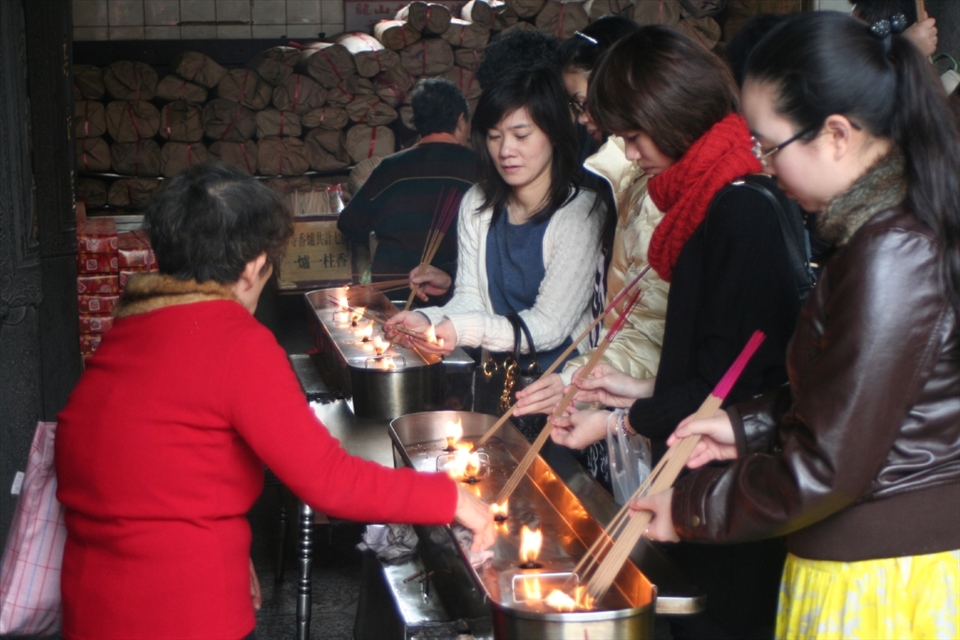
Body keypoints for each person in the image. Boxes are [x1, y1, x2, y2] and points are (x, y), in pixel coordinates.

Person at [54, 162, 495, 640]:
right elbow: (329, 482)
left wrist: (227, 548)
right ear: (252, 266)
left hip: (92, 603)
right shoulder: (233, 342)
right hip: (178, 612)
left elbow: (141, 472)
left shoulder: (129, 330)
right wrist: (450, 497)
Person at [631, 12, 960, 639]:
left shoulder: (891, 251)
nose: (764, 165)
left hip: (884, 578)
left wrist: (691, 508)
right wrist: (744, 427)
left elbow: (827, 466)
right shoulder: (881, 231)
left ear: (836, 134)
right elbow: (854, 398)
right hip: (868, 560)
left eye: (770, 145)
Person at [543, 27, 809, 638]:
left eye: (634, 135)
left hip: (730, 486)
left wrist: (619, 421)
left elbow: (731, 387)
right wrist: (638, 390)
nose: (629, 152)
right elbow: (718, 362)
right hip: (710, 471)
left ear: (672, 115)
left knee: (716, 620)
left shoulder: (736, 210)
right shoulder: (708, 199)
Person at [384, 64, 603, 420]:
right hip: (498, 382)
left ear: (553, 133)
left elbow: (549, 326)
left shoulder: (581, 214)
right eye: (494, 136)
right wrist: (427, 319)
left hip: (563, 394)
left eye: (521, 135)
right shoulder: (477, 203)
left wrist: (460, 329)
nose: (505, 151)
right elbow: (471, 298)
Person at [515, 15, 667, 490]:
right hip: (617, 387)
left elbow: (647, 322)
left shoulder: (650, 188)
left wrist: (576, 380)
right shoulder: (621, 180)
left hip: (646, 406)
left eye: (583, 103)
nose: (582, 119)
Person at [337, 78, 476, 305]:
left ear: (417, 123)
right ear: (461, 120)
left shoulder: (390, 168)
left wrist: (379, 238)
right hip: (459, 299)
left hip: (394, 301)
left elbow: (349, 224)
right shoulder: (480, 169)